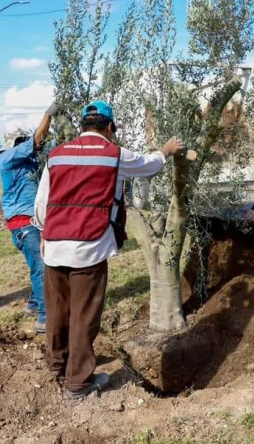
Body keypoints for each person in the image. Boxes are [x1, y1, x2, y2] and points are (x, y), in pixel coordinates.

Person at [32, 100, 184, 399]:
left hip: (54, 245)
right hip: (89, 248)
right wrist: (165, 151)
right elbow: (148, 165)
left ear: (82, 126)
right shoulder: (114, 154)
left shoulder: (57, 154)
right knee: (84, 315)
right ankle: (79, 383)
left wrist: (43, 233)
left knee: (57, 309)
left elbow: (42, 202)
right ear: (110, 127)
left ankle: (56, 363)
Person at [0, 103, 58, 334]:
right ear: (15, 144)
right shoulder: (8, 158)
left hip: (31, 222)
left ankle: (33, 304)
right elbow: (38, 139)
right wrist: (48, 114)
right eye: (24, 142)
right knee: (41, 268)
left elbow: (45, 145)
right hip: (24, 223)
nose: (29, 145)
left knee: (39, 264)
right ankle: (45, 317)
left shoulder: (27, 162)